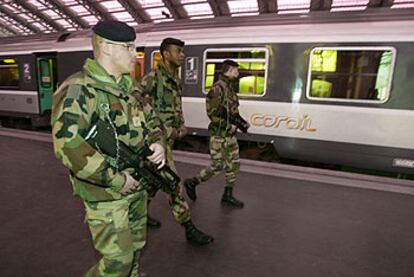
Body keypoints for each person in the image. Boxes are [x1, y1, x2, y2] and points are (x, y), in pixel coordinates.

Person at [51, 20, 166, 277]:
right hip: (106, 192)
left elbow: (153, 119)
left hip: (136, 187)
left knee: (135, 250)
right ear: (106, 47)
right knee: (118, 262)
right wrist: (116, 179)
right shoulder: (79, 89)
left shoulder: (131, 87)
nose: (134, 54)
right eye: (128, 47)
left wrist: (158, 142)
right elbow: (68, 146)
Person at [140, 37, 214, 246]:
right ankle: (188, 228)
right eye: (178, 51)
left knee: (152, 184)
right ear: (166, 54)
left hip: (168, 141)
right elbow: (136, 100)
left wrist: (181, 124)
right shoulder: (153, 78)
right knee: (172, 182)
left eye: (183, 52)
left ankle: (139, 214)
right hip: (157, 143)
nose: (182, 55)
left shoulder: (175, 79)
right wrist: (165, 129)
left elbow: (176, 106)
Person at [184, 59, 249, 208]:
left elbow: (232, 112)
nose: (238, 73)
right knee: (217, 165)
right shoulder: (217, 89)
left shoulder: (229, 88)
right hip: (220, 135)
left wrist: (241, 123)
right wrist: (228, 126)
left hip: (230, 135)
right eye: (236, 70)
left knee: (234, 164)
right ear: (230, 70)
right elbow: (212, 114)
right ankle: (192, 182)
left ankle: (227, 195)